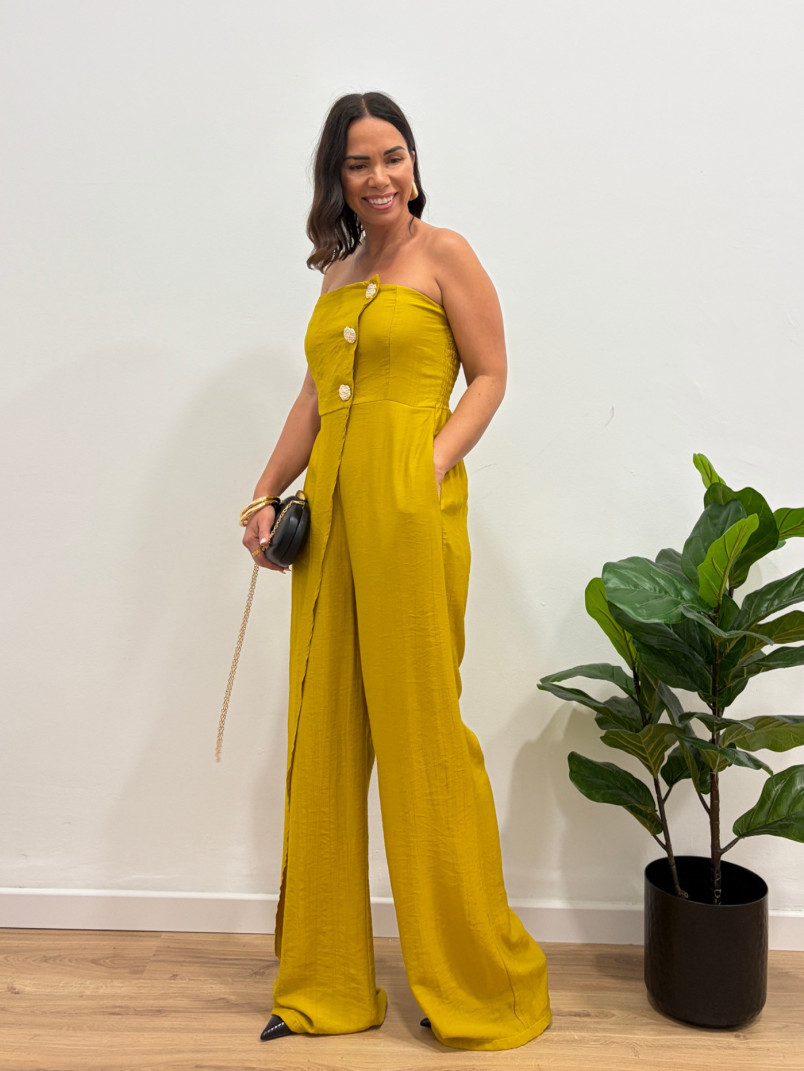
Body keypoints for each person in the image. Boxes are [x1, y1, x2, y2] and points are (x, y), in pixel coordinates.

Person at [240, 91, 551, 1052]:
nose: (379, 176)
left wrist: (431, 462)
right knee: (324, 733)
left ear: (414, 164)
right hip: (330, 516)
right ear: (336, 179)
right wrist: (263, 493)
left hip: (410, 508)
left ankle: (472, 979)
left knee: (421, 735)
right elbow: (313, 397)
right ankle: (325, 984)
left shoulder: (446, 254)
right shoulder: (337, 274)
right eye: (358, 163)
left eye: (393, 156)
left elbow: (490, 373)